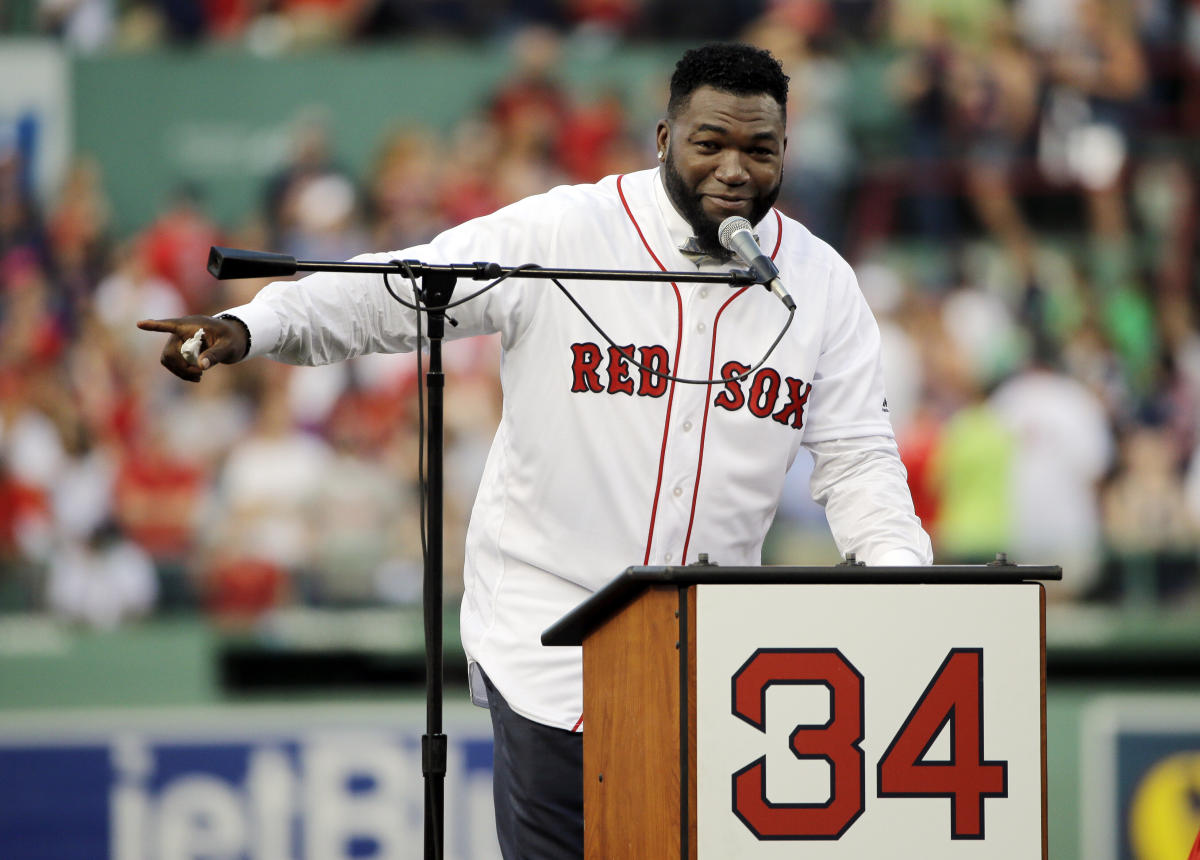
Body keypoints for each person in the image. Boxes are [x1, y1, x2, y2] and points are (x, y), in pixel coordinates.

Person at [139, 43, 932, 860]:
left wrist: (903, 571)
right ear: (663, 137)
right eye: (710, 143)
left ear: (785, 153)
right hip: (549, 633)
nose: (734, 169)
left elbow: (858, 456)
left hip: (707, 653)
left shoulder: (821, 283)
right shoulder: (567, 230)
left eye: (759, 150)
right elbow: (406, 285)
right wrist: (251, 328)